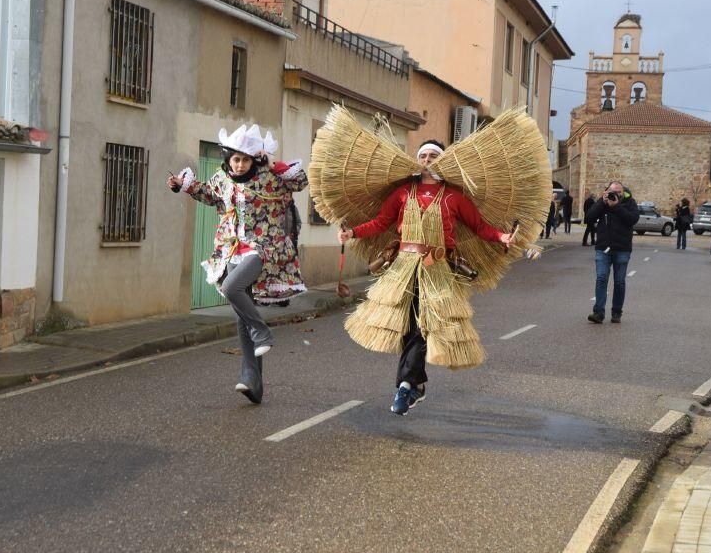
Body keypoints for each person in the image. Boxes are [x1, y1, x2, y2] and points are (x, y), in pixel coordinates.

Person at [337, 140, 515, 416]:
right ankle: (415, 385)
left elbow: (479, 227)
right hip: (403, 268)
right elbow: (381, 222)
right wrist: (353, 233)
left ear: (443, 160)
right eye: (423, 155)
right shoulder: (402, 193)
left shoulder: (453, 197)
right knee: (407, 326)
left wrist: (502, 236)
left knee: (425, 326)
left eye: (433, 155)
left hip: (438, 268)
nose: (427, 159)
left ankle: (406, 385)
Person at [167, 125, 307, 404]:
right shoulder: (223, 179)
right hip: (231, 250)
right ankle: (252, 381)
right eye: (235, 159)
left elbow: (300, 181)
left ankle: (262, 332)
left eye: (245, 159)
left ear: (253, 159)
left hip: (264, 248)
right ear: (228, 159)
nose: (240, 164)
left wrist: (270, 162)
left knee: (231, 289)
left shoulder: (271, 177)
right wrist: (183, 185)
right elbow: (209, 194)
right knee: (241, 315)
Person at [585, 181, 640, 324]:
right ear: (607, 191)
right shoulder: (603, 202)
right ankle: (598, 312)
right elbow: (589, 218)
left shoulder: (630, 203)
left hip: (622, 249)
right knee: (601, 279)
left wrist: (616, 207)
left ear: (623, 192)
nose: (615, 194)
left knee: (619, 282)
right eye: (612, 191)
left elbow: (632, 220)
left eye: (618, 192)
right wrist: (602, 203)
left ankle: (616, 312)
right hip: (603, 248)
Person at [276, 200, 302, 307]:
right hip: (277, 245)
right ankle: (275, 298)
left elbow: (299, 223)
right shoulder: (276, 207)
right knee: (277, 272)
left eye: (288, 196)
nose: (286, 198)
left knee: (288, 272)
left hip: (290, 245)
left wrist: (293, 233)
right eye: (285, 196)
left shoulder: (293, 209)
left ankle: (285, 299)